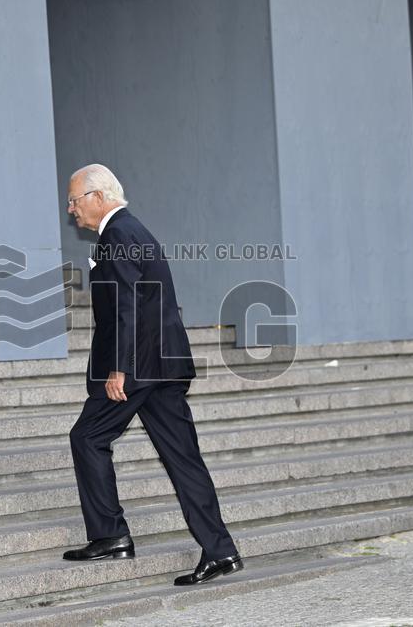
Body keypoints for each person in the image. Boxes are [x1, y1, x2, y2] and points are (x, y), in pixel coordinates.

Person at [61, 163, 242, 586]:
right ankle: (221, 551)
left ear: (98, 197)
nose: (70, 209)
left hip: (139, 366)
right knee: (183, 458)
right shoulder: (131, 229)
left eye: (74, 200)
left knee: (87, 437)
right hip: (161, 363)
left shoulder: (118, 234)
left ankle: (110, 536)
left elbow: (126, 305)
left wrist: (119, 369)